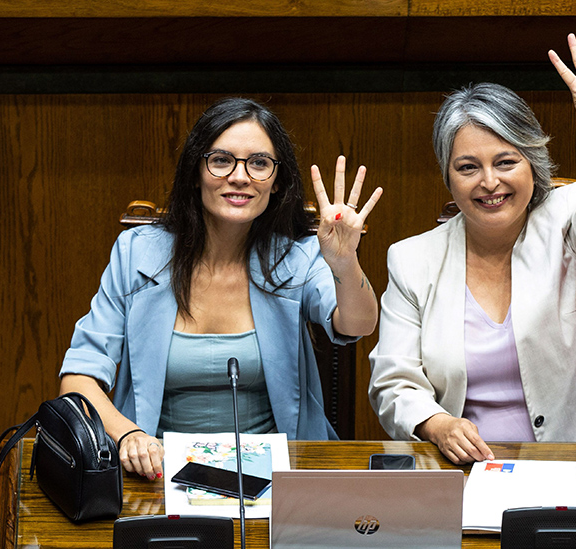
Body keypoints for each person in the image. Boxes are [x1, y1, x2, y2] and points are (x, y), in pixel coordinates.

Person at [59, 97, 382, 479]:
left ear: (277, 182)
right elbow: (78, 378)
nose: (241, 177)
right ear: (196, 171)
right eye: (221, 160)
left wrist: (344, 260)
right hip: (156, 475)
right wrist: (129, 435)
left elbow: (358, 324)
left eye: (259, 163)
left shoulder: (297, 257)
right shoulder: (136, 254)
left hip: (279, 475)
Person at [368, 34, 576, 465]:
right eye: (467, 167)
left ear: (532, 164)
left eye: (505, 161)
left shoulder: (568, 217)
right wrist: (436, 423)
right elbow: (393, 381)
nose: (489, 182)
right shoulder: (412, 259)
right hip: (466, 469)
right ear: (448, 177)